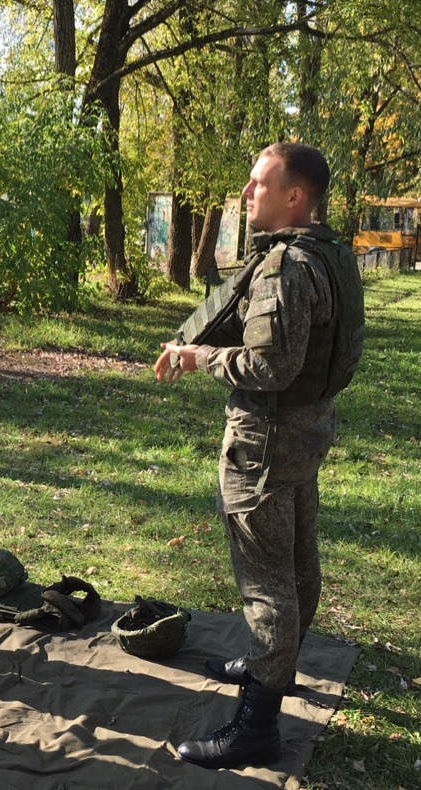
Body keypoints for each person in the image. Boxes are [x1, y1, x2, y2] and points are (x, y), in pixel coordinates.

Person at [153, 143, 364, 769]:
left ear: (293, 196)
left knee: (268, 581)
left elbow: (270, 364)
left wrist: (199, 358)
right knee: (297, 557)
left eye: (258, 183)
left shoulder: (286, 268)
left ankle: (257, 725)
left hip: (266, 442)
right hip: (305, 433)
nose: (248, 194)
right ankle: (279, 664)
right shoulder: (328, 253)